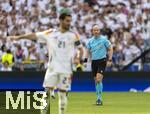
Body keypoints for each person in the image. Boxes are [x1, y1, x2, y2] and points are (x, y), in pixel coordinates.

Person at [9, 9, 83, 114]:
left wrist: (78, 57)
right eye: (67, 21)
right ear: (60, 20)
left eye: (70, 21)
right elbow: (34, 35)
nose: (69, 23)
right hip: (52, 68)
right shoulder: (50, 33)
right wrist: (18, 37)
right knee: (47, 92)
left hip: (66, 70)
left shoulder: (73, 35)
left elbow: (81, 49)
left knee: (62, 94)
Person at [84, 24, 113, 105]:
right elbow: (88, 51)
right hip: (94, 62)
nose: (96, 31)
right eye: (94, 30)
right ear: (92, 31)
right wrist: (85, 61)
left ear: (99, 31)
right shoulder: (90, 41)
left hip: (102, 61)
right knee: (96, 81)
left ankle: (99, 99)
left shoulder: (104, 40)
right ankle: (98, 98)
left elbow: (110, 48)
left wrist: (110, 59)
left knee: (98, 79)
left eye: (97, 30)